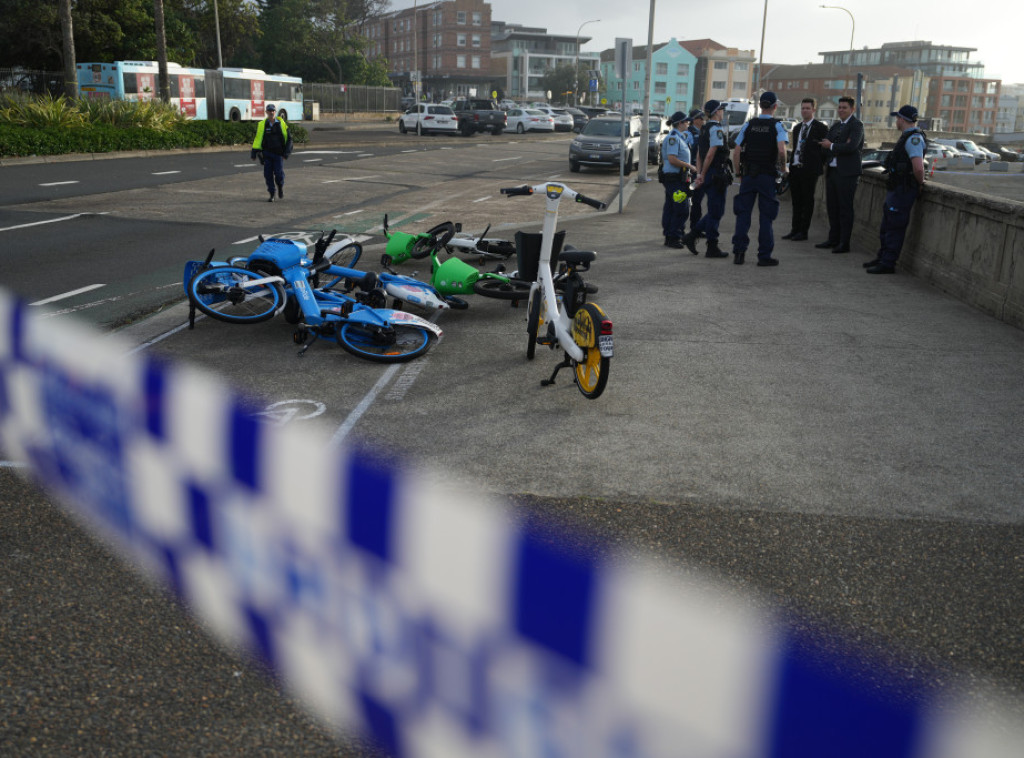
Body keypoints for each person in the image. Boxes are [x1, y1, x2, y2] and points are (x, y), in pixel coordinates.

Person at [865, 105, 927, 275]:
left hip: (903, 190)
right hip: (896, 188)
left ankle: (888, 263)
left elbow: (918, 168)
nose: (896, 121)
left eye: (897, 118)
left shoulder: (913, 139)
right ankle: (882, 257)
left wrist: (919, 183)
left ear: (902, 119)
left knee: (894, 227)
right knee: (887, 226)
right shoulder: (906, 137)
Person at [730, 91, 789, 266]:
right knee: (766, 217)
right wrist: (784, 167)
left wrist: (738, 173)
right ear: (775, 106)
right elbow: (781, 150)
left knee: (743, 214)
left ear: (761, 106)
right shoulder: (778, 126)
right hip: (767, 177)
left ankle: (739, 253)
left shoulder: (749, 125)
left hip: (749, 175)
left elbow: (737, 151)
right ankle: (764, 256)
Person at [681, 100, 730, 258]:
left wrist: (701, 173)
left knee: (715, 210)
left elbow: (699, 155)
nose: (723, 112)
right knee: (716, 211)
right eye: (721, 110)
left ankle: (693, 236)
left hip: (708, 174)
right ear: (716, 112)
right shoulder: (715, 129)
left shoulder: (704, 129)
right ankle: (711, 246)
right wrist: (703, 173)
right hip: (716, 174)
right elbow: (710, 153)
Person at [816, 96, 863, 253]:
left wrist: (833, 146)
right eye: (840, 107)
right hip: (832, 171)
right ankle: (833, 238)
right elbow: (825, 145)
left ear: (852, 109)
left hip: (847, 173)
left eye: (845, 107)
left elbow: (851, 147)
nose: (841, 110)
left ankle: (844, 243)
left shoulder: (856, 125)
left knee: (845, 208)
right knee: (832, 207)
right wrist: (834, 146)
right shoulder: (836, 126)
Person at [782, 97, 828, 241]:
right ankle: (794, 229)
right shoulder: (796, 128)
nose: (804, 111)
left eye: (808, 108)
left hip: (810, 170)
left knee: (807, 201)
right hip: (796, 168)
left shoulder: (821, 128)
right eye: (803, 108)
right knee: (796, 201)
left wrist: (816, 164)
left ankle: (803, 231)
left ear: (814, 110)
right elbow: (796, 148)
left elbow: (824, 151)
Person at [661, 111, 696, 248]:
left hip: (677, 179)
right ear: (680, 123)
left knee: (671, 207)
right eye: (686, 121)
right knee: (681, 208)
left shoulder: (679, 137)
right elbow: (672, 159)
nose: (688, 123)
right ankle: (673, 237)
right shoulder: (674, 138)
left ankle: (670, 236)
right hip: (674, 179)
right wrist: (690, 166)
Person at [251, 104, 293, 202]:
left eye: (273, 111)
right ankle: (272, 194)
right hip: (267, 154)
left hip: (278, 154)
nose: (271, 112)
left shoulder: (281, 124)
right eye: (269, 111)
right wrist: (254, 153)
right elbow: (257, 139)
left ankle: (280, 187)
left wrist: (286, 153)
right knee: (268, 175)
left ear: (275, 112)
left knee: (279, 174)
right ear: (266, 112)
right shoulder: (263, 125)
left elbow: (289, 139)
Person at [685, 108, 705, 235]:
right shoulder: (689, 134)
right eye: (702, 118)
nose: (704, 120)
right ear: (695, 120)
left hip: (698, 169)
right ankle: (690, 229)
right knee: (690, 201)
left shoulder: (702, 132)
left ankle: (695, 227)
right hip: (691, 170)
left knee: (697, 201)